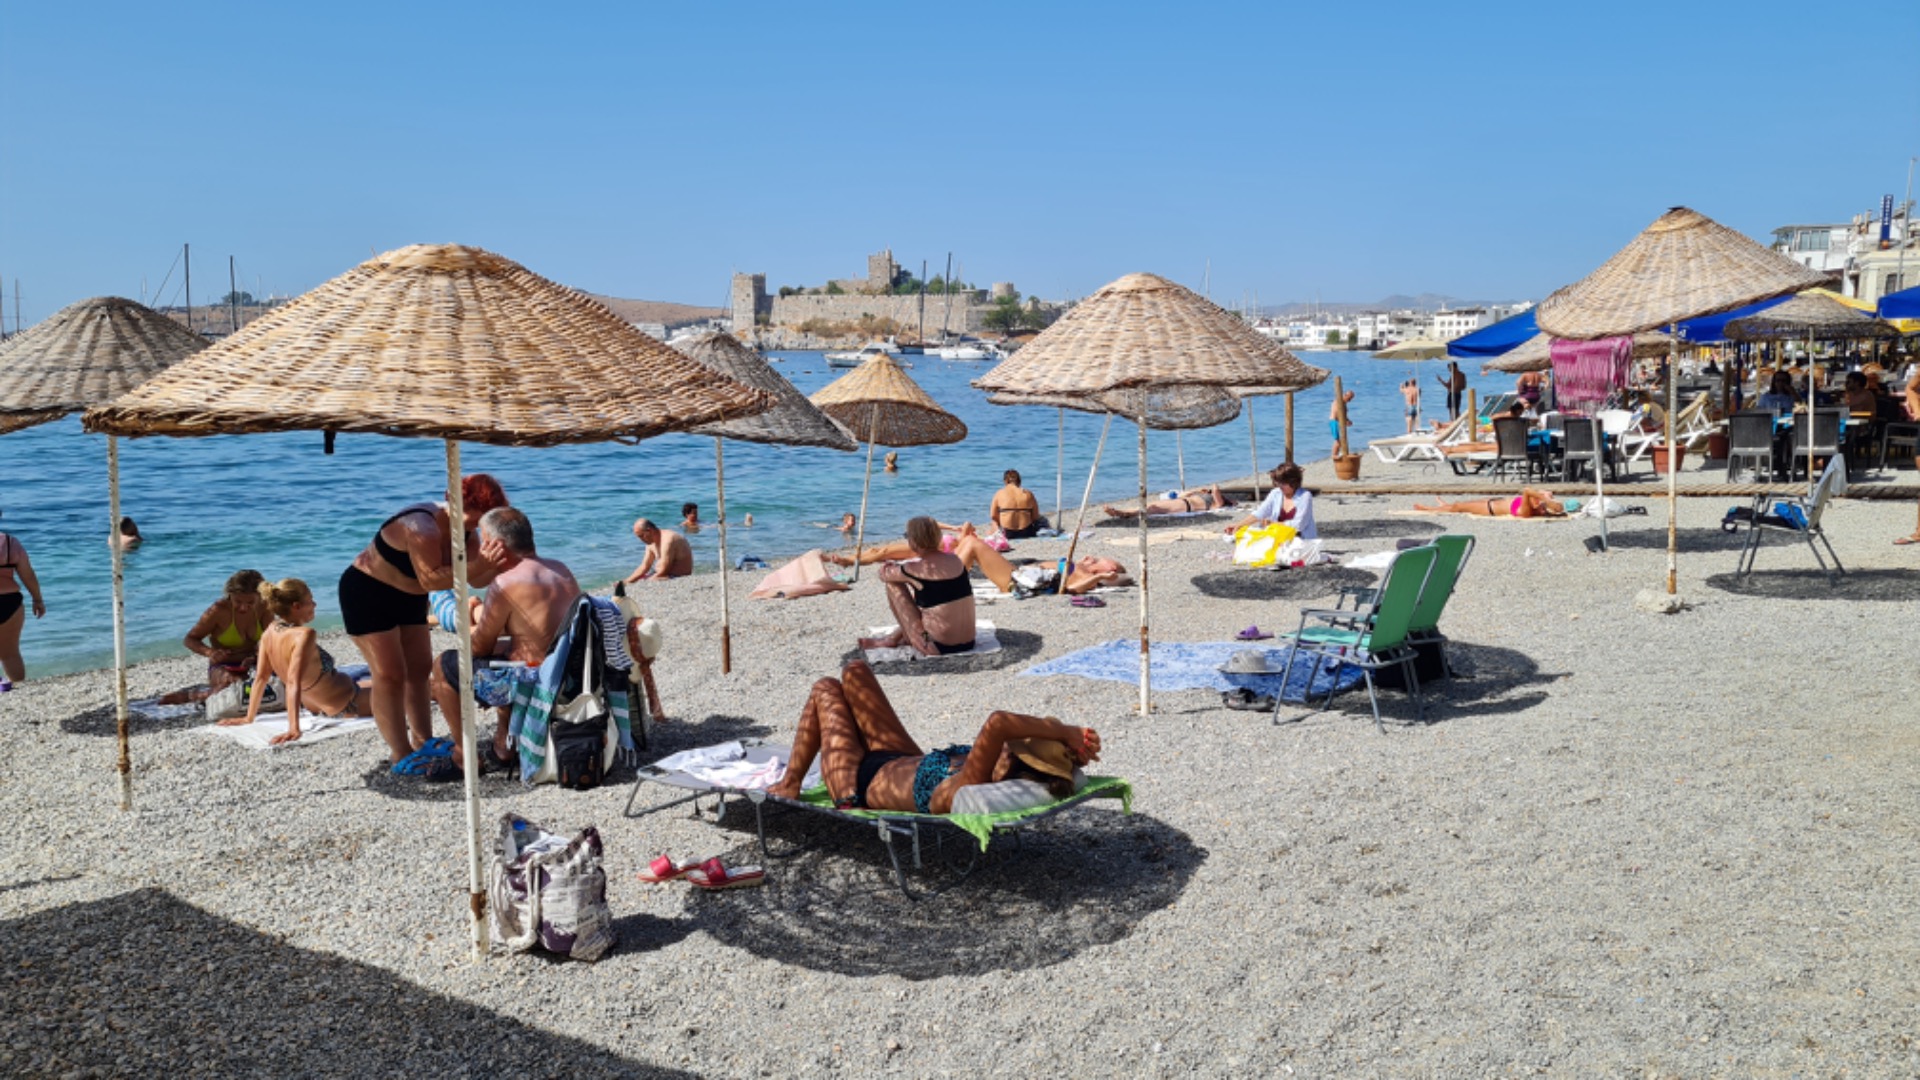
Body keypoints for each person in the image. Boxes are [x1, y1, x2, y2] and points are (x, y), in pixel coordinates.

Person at [766, 660, 1101, 814]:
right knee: (855, 670)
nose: (1005, 748)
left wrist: (1066, 732)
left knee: (825, 688)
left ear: (1015, 767)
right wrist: (1076, 747)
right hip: (897, 757)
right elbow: (1015, 733)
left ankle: (791, 784)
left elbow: (998, 722)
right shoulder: (992, 765)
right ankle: (799, 773)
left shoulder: (974, 780)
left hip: (857, 783)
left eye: (1013, 750)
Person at [340, 473, 508, 769]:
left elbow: (474, 576)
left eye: (477, 522)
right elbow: (430, 578)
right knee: (389, 674)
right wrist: (479, 565)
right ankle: (400, 753)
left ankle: (422, 741)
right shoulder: (421, 526)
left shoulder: (469, 531)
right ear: (450, 500)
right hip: (367, 591)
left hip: (409, 595)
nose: (471, 526)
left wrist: (497, 566)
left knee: (418, 669)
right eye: (470, 519)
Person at [431, 507, 581, 775]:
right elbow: (539, 633)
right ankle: (505, 744)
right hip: (568, 674)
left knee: (444, 665)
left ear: (495, 545)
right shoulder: (560, 569)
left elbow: (479, 648)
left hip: (533, 683)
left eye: (482, 539)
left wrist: (471, 621)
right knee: (509, 653)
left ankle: (463, 756)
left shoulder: (505, 583)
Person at [227, 578, 373, 744]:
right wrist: (294, 728)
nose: (315, 605)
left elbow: (260, 678)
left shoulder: (269, 632)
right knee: (402, 688)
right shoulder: (304, 634)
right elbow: (292, 682)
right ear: (296, 606)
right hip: (345, 705)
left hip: (315, 706)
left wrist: (249, 717)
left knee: (374, 681)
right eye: (310, 601)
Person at [852, 516, 977, 656]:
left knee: (893, 585)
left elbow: (884, 575)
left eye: (907, 536)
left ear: (914, 541)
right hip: (969, 642)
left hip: (934, 645)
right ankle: (892, 638)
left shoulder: (913, 568)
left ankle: (898, 638)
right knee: (928, 598)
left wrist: (890, 567)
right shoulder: (955, 560)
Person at [828, 521, 1020, 593]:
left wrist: (966, 528)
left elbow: (968, 532)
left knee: (883, 553)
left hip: (924, 549)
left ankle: (848, 561)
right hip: (925, 544)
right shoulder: (959, 540)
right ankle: (850, 558)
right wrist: (953, 528)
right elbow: (931, 522)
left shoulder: (963, 547)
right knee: (878, 551)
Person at [171, 570, 270, 702]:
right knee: (235, 685)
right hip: (224, 666)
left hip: (255, 663)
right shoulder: (219, 610)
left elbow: (272, 638)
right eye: (238, 602)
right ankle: (195, 695)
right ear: (229, 595)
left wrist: (257, 655)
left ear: (260, 596)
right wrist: (210, 652)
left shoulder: (264, 607)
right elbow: (190, 639)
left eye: (250, 603)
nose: (243, 608)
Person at [0, 508, 47, 684]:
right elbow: (27, 574)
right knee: (10, 654)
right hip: (10, 601)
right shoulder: (11, 543)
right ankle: (19, 691)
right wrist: (37, 599)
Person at [1225, 463, 1317, 540]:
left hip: (1300, 539)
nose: (1280, 486)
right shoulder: (1276, 493)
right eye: (1278, 482)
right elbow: (1260, 513)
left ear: (1294, 482)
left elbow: (1299, 525)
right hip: (1278, 536)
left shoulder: (1305, 496)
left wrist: (1274, 524)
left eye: (1284, 483)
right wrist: (1238, 525)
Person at [1413, 488, 1573, 518]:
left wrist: (1545, 499)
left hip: (1488, 508)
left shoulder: (1525, 512)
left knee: (1458, 507)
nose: (1541, 506)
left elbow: (1527, 490)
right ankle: (1443, 506)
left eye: (1542, 508)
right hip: (1493, 501)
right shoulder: (1534, 504)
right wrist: (1548, 499)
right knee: (1458, 505)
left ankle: (1429, 509)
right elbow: (1551, 498)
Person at [1102, 484, 1234, 519]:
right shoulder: (1201, 495)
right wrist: (1197, 490)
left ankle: (1123, 514)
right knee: (1150, 506)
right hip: (1182, 501)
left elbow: (1216, 489)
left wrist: (1213, 489)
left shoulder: (1217, 504)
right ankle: (1123, 513)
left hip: (1185, 507)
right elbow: (1183, 494)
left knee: (1152, 508)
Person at [626, 517, 693, 581]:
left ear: (649, 531)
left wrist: (648, 580)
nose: (641, 540)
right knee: (636, 580)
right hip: (662, 573)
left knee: (648, 582)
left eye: (641, 536)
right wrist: (626, 581)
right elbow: (644, 566)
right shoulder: (651, 543)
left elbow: (664, 570)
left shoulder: (668, 539)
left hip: (677, 576)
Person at [989, 469, 1045, 538]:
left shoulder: (999, 493)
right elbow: (1035, 516)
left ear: (1005, 481)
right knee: (1042, 519)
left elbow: (993, 516)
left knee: (993, 523)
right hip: (1026, 531)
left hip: (1007, 533)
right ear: (1019, 481)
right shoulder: (1028, 494)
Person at [1329, 390, 1356, 454]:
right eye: (1349, 398)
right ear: (1345, 395)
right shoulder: (1338, 402)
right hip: (1334, 422)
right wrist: (1344, 421)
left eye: (1351, 399)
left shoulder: (1344, 404)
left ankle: (1340, 454)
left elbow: (1344, 415)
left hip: (1340, 422)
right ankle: (1334, 455)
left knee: (1342, 440)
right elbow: (1336, 414)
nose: (1350, 400)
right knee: (1338, 441)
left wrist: (1347, 420)